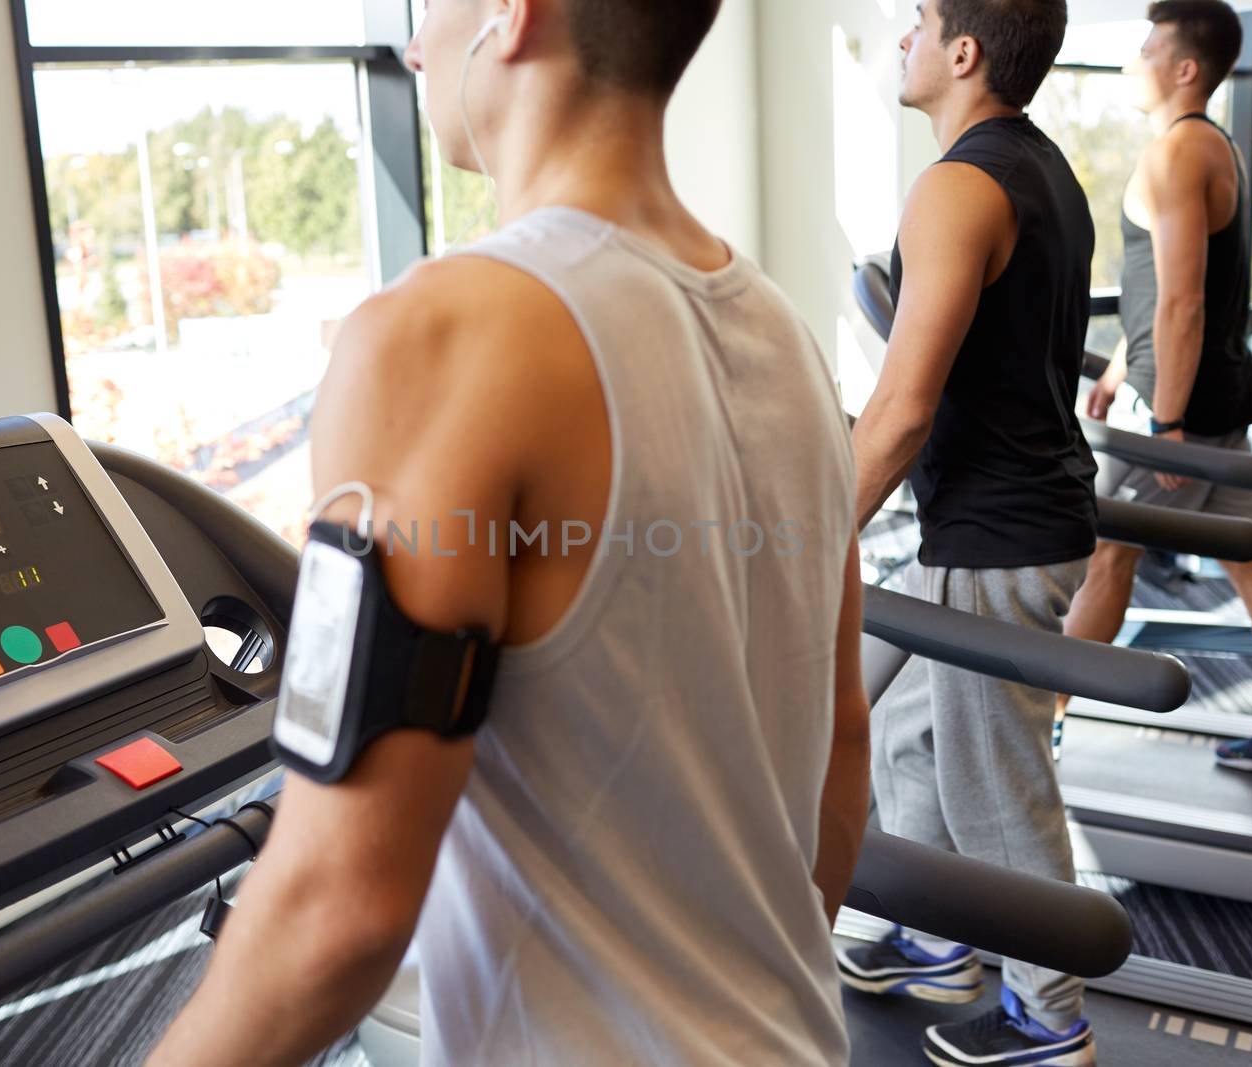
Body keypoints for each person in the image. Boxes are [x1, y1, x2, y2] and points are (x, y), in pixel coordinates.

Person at [145, 2, 869, 1065]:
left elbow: (333, 911)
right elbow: (840, 753)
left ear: (511, 16)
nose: (411, 43)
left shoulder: (444, 333)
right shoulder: (791, 342)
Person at [839, 2, 1100, 1065]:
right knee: (903, 727)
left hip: (996, 538)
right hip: (994, 521)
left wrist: (806, 546)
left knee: (992, 787)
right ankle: (938, 940)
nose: (900, 34)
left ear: (963, 51)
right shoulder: (1041, 169)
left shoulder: (953, 185)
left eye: (918, 19)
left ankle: (1051, 1014)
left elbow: (901, 408)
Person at [1063, 0, 1252, 772]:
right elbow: (1170, 288)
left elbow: (1185, 301)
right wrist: (1124, 360)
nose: (1136, 57)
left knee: (1105, 557)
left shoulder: (1177, 155)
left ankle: (1036, 714)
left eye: (1150, 45)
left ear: (1184, 67)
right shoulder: (1205, 146)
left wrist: (1164, 421)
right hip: (1203, 392)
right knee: (1251, 556)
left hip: (1179, 412)